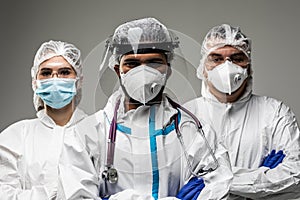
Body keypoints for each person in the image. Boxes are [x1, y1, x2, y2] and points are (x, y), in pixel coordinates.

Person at [58, 17, 233, 200]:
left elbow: (219, 187)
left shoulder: (195, 132)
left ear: (169, 69)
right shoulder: (84, 135)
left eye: (154, 62)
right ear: (118, 70)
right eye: (132, 64)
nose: (143, 72)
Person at [183, 24, 300, 199]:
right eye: (216, 59)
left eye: (237, 58)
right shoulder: (185, 116)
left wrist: (212, 182)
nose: (227, 66)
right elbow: (177, 179)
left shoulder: (275, 113)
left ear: (249, 66)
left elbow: (295, 175)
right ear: (203, 68)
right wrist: (261, 178)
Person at [0, 40, 87, 199]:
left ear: (79, 80)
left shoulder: (98, 131)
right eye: (46, 73)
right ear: (35, 82)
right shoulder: (15, 137)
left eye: (65, 72)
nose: (55, 79)